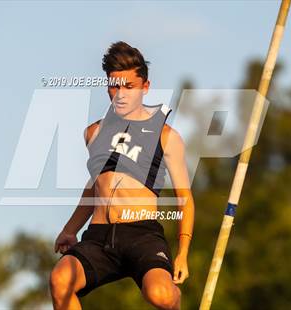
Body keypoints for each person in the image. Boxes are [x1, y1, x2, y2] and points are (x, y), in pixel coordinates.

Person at [50, 41, 195, 310]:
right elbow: (94, 189)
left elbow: (184, 198)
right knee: (60, 280)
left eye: (129, 87)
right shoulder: (93, 133)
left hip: (142, 235)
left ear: (145, 87)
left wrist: (183, 253)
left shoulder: (166, 137)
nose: (120, 94)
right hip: (99, 236)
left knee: (162, 295)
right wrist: (70, 230)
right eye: (114, 86)